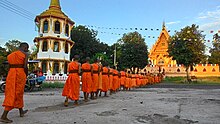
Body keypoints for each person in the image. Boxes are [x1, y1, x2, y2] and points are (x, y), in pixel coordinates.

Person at [1, 42, 29, 123]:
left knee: (14, 92)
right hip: (20, 74)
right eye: (27, 48)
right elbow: (25, 66)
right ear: (25, 47)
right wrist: (26, 74)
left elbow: (9, 66)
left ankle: (21, 111)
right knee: (16, 93)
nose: (27, 50)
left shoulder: (10, 55)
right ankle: (4, 116)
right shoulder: (25, 54)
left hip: (11, 74)